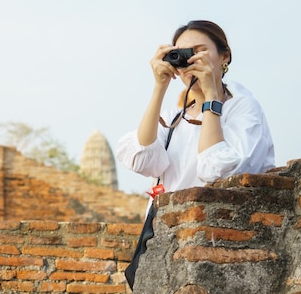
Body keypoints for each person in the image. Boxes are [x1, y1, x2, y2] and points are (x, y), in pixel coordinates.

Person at [116, 20, 275, 288]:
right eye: (182, 53)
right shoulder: (174, 118)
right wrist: (160, 86)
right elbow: (142, 159)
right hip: (166, 243)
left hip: (224, 243)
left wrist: (211, 93)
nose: (190, 60)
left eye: (199, 51)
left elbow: (217, 170)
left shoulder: (243, 108)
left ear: (224, 56)